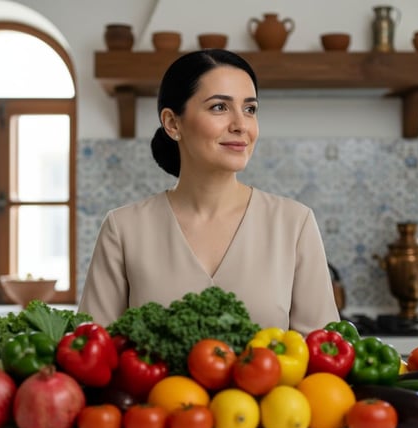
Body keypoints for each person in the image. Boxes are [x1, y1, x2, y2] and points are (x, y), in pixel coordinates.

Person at [79, 49, 339, 334]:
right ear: (172, 123)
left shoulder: (294, 223)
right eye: (219, 107)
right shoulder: (123, 229)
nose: (241, 125)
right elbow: (92, 351)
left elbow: (324, 357)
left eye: (250, 109)